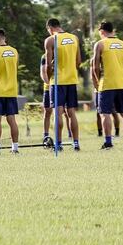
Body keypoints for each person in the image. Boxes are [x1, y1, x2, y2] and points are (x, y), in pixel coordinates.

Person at [91, 21, 123, 149]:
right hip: (121, 82)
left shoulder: (100, 44)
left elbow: (95, 67)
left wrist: (98, 82)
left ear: (102, 31)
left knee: (105, 113)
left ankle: (108, 142)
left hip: (107, 84)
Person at [44, 18, 82, 151]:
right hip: (72, 80)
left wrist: (49, 79)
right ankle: (76, 143)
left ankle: (58, 144)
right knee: (71, 112)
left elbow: (48, 65)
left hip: (58, 81)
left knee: (58, 113)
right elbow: (78, 61)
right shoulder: (74, 38)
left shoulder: (50, 40)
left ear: (50, 28)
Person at [39, 53, 53, 146]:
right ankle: (46, 135)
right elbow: (43, 72)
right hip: (48, 88)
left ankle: (68, 135)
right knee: (47, 111)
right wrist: (49, 83)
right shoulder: (44, 56)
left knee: (61, 112)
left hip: (60, 87)